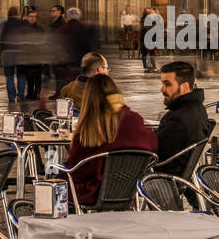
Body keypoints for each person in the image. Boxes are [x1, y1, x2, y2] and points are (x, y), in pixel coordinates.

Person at [64, 75, 157, 207]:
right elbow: (152, 145)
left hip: (92, 193)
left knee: (58, 180)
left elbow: (76, 169)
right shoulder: (135, 119)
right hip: (128, 193)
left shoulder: (90, 128)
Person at [155, 60, 211, 168]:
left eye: (167, 84)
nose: (162, 89)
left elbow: (156, 150)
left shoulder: (180, 119)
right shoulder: (195, 108)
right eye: (162, 84)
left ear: (184, 87)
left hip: (159, 178)